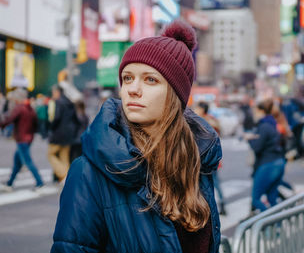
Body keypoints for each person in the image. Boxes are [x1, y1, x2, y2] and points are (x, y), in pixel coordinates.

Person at [51, 21, 222, 253]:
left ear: (175, 94)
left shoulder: (197, 162)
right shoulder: (88, 173)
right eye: (128, 78)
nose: (132, 89)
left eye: (150, 79)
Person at [0, 89, 44, 191]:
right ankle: (9, 183)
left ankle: (39, 182)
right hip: (28, 138)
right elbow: (36, 123)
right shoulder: (30, 108)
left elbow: (9, 119)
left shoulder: (19, 108)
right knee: (17, 163)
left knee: (27, 162)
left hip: (21, 139)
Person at [245, 99, 286, 212]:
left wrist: (249, 139)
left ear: (261, 111)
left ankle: (268, 222)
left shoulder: (264, 126)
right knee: (272, 198)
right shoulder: (272, 123)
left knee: (256, 200)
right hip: (278, 162)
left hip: (268, 164)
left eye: (255, 112)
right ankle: (277, 226)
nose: (254, 114)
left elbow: (257, 147)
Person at [194, 101, 227, 216]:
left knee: (210, 183)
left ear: (202, 109)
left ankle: (215, 206)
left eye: (197, 107)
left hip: (206, 159)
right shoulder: (210, 120)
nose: (195, 109)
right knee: (213, 183)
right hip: (210, 158)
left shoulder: (203, 122)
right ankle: (221, 205)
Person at [47, 85, 78, 183]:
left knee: (50, 154)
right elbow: (75, 119)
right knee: (64, 156)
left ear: (57, 92)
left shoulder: (58, 102)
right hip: (69, 134)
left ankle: (63, 174)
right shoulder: (70, 102)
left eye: (53, 93)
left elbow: (56, 118)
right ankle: (66, 178)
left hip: (59, 134)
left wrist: (51, 128)